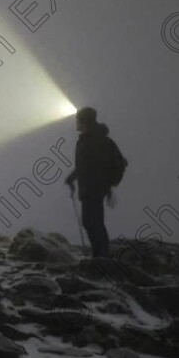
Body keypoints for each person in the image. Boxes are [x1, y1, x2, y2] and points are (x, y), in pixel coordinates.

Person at [64, 106, 124, 258]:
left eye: (78, 119)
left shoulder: (97, 141)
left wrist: (109, 183)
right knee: (91, 223)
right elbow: (84, 166)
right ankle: (100, 256)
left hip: (93, 190)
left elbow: (120, 163)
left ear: (85, 121)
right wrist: (72, 178)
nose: (76, 122)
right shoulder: (90, 141)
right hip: (90, 189)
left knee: (93, 223)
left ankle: (101, 258)